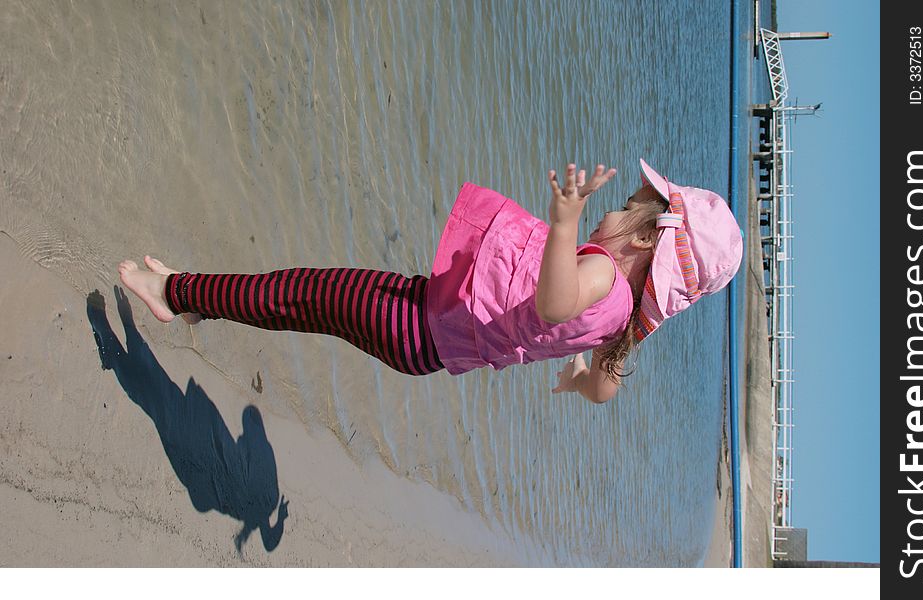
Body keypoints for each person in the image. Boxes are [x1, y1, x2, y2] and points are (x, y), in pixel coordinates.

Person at [118, 159, 742, 403]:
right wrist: (580, 378)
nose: (611, 212)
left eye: (628, 203)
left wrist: (564, 221)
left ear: (643, 236)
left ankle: (174, 295)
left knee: (301, 292)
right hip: (426, 336)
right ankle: (197, 301)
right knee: (305, 301)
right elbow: (606, 389)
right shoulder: (620, 318)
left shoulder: (600, 274)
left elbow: (553, 302)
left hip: (415, 324)